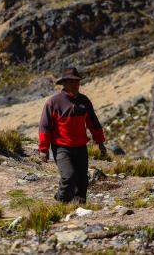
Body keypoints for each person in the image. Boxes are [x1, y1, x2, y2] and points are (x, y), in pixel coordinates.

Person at [38, 67, 106, 204]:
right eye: (71, 82)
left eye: (77, 82)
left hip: (81, 147)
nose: (75, 85)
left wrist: (100, 142)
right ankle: (61, 201)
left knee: (82, 178)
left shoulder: (84, 101)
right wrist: (43, 149)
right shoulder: (53, 102)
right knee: (69, 176)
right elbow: (44, 127)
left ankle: (79, 205)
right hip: (61, 147)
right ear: (64, 84)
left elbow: (93, 123)